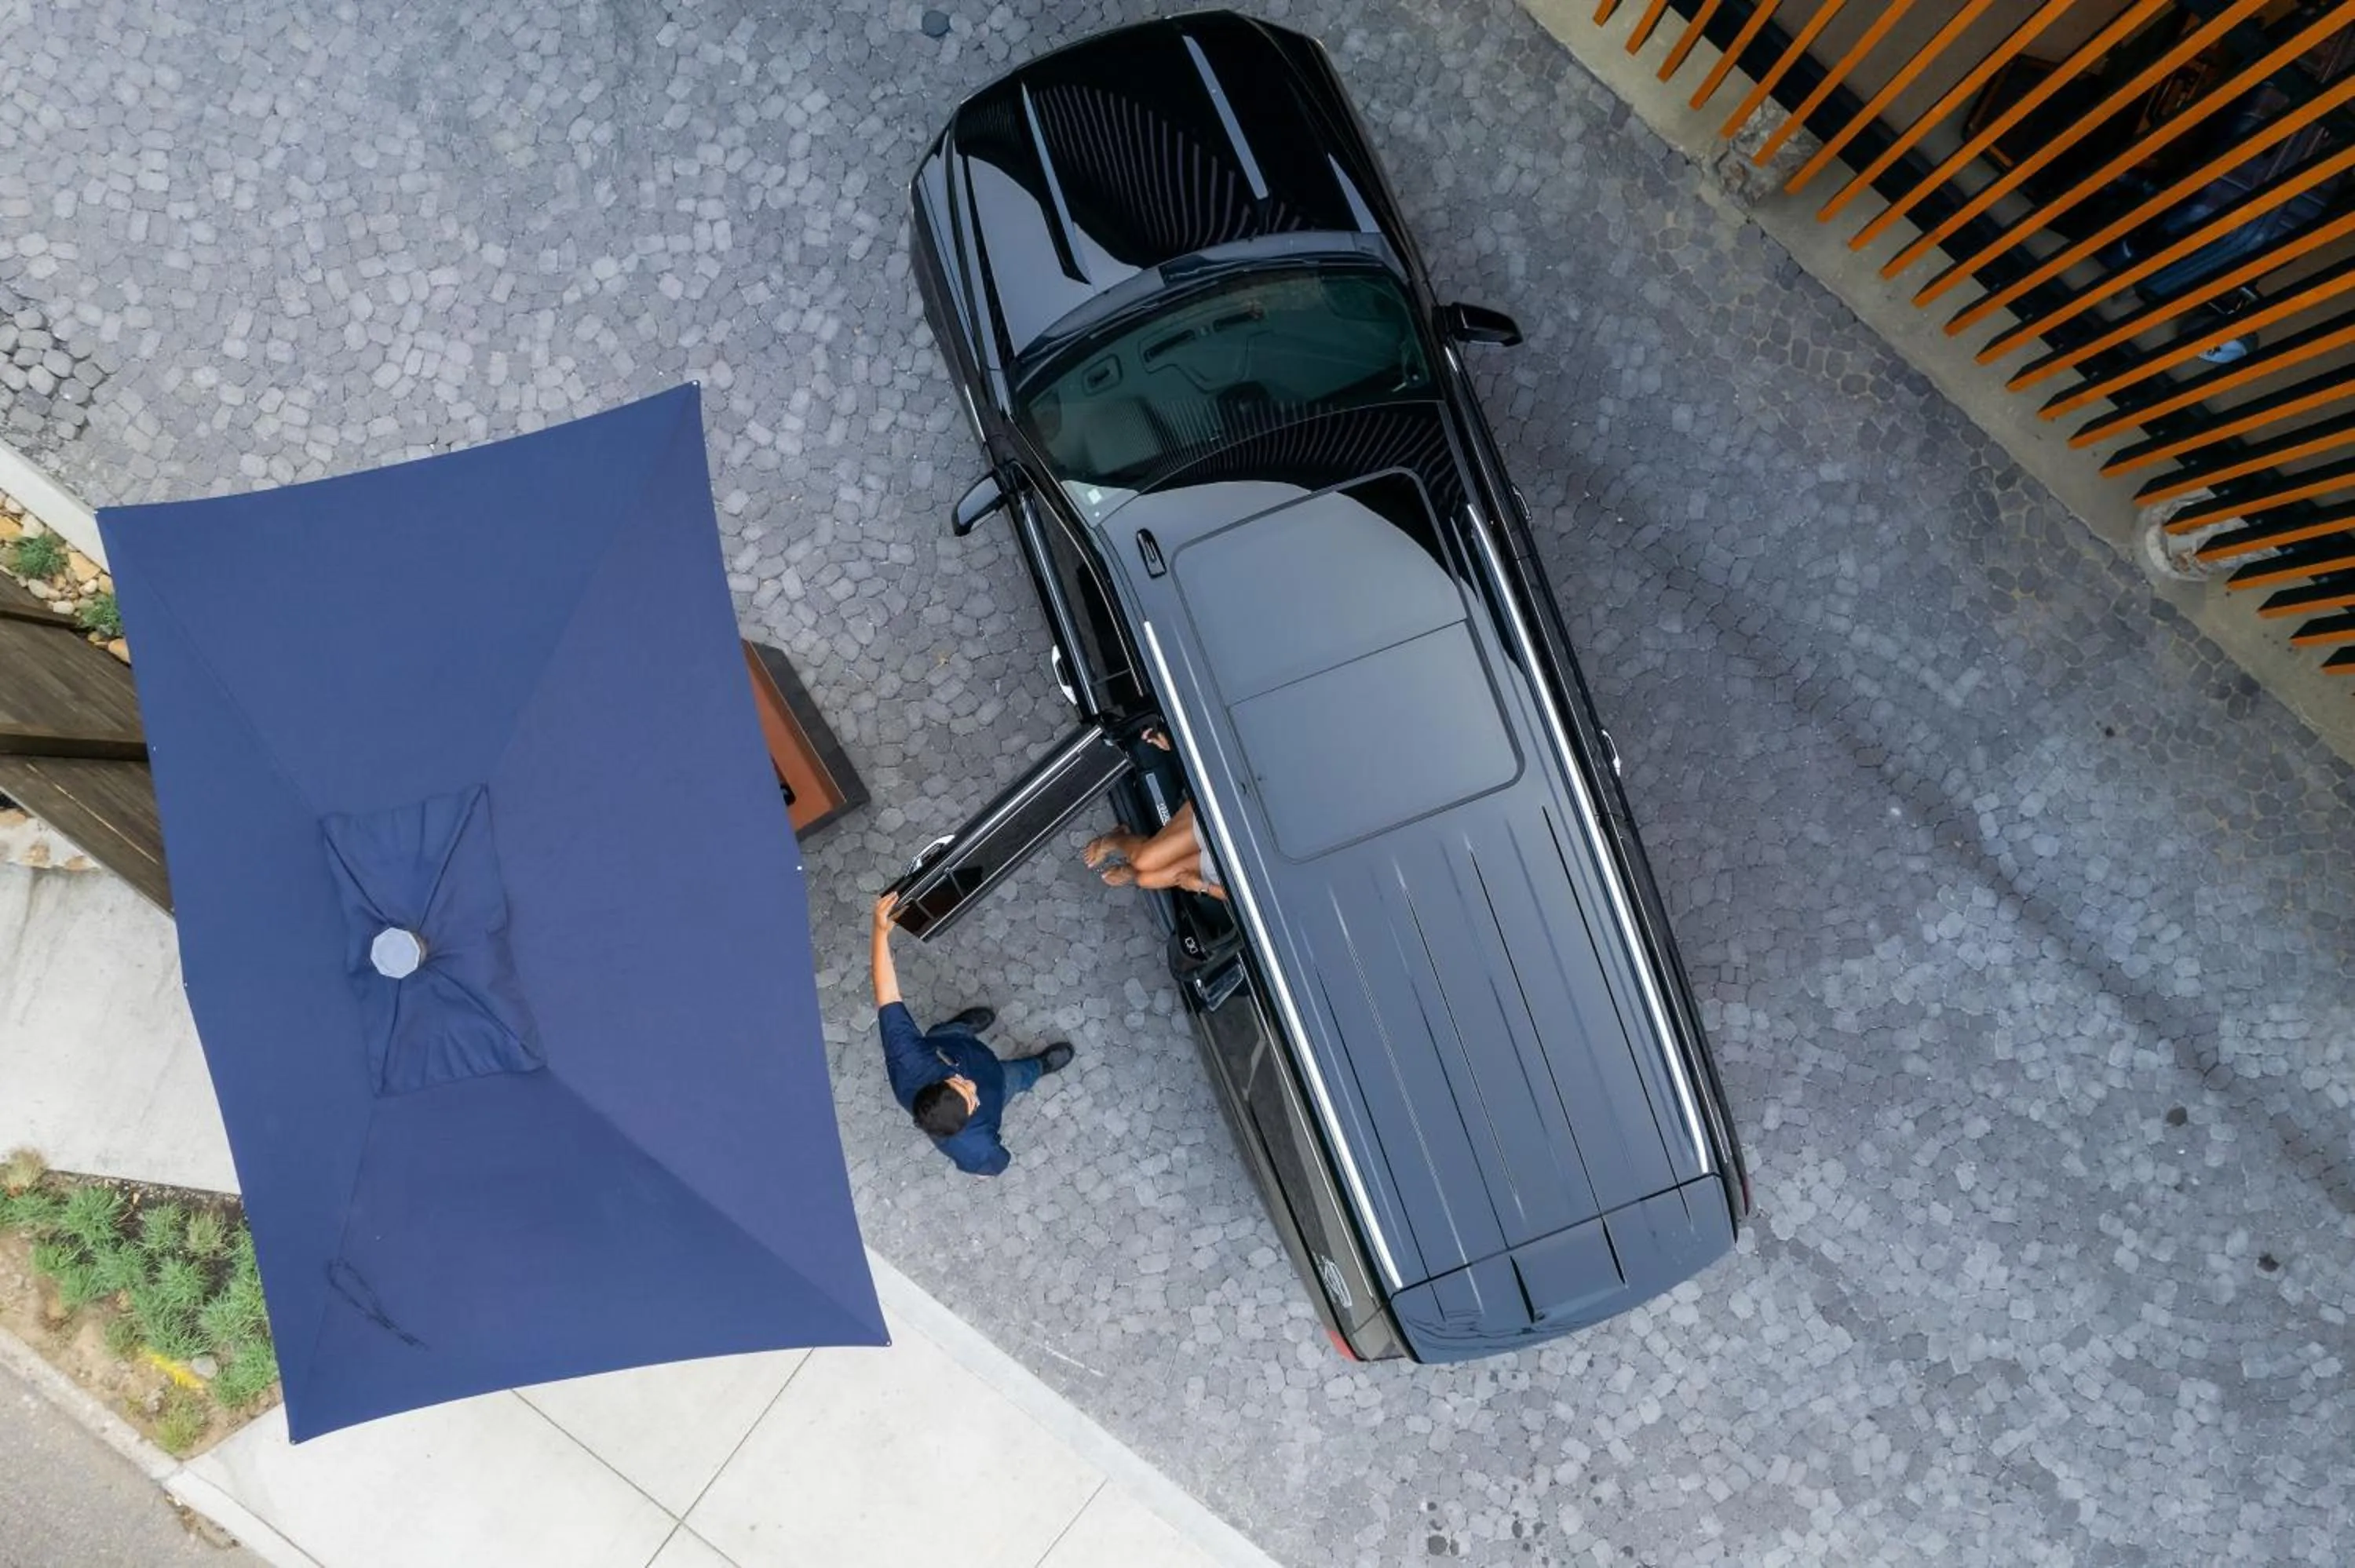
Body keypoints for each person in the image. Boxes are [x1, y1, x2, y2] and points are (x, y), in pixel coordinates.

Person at [870, 892, 1073, 1176]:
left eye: (959, 1084)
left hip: (950, 1045)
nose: (972, 1085)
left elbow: (888, 996)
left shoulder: (908, 1061)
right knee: (1017, 1075)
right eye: (972, 1098)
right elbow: (995, 1165)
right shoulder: (974, 1147)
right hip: (998, 1083)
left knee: (946, 1033)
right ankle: (1039, 1066)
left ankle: (962, 1028)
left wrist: (879, 932)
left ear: (935, 1085)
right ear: (963, 1125)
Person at [1080, 728, 1229, 900]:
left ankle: (1134, 867)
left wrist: (1204, 887)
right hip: (1221, 823)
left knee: (1145, 879)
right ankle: (1115, 839)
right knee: (1142, 860)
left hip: (1229, 867)